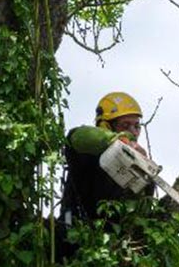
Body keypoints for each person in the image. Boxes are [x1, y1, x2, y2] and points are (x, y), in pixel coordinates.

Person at [59, 91, 155, 225]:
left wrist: (145, 171)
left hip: (116, 239)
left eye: (137, 126)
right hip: (74, 232)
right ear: (106, 125)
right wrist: (116, 140)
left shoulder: (133, 166)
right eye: (125, 125)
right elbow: (75, 136)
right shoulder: (86, 152)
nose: (133, 132)